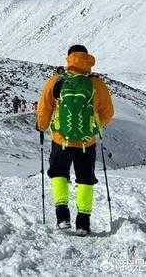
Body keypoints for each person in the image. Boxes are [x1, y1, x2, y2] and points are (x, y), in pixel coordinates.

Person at [36, 45, 114, 236]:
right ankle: (83, 223)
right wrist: (95, 126)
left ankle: (62, 217)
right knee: (85, 179)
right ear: (87, 59)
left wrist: (42, 125)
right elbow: (108, 112)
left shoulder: (57, 80)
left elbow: (44, 107)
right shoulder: (96, 84)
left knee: (58, 174)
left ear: (69, 58)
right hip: (87, 143)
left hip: (60, 139)